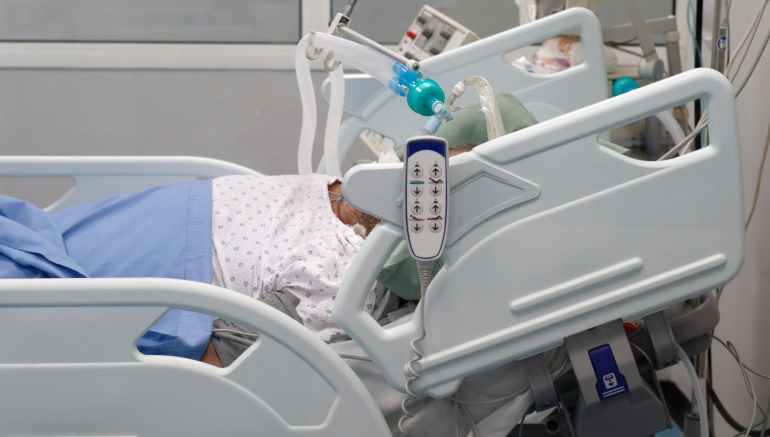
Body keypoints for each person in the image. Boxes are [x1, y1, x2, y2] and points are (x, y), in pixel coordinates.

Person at [0, 94, 538, 365]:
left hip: (139, 286)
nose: (413, 176)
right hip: (116, 228)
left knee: (28, 309)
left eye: (434, 184)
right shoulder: (336, 187)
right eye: (419, 163)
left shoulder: (344, 282)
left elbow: (222, 369)